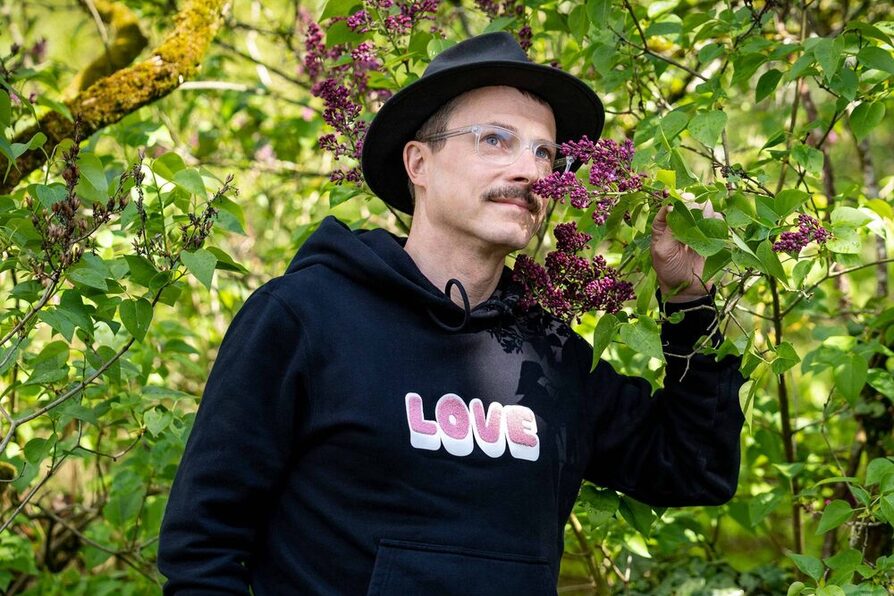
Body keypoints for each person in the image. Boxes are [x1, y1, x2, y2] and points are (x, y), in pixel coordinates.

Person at [157, 32, 745, 595]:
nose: (531, 171)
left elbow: (694, 467)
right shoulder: (303, 319)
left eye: (545, 152)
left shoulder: (550, 356)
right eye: (495, 139)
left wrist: (690, 301)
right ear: (419, 162)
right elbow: (202, 546)